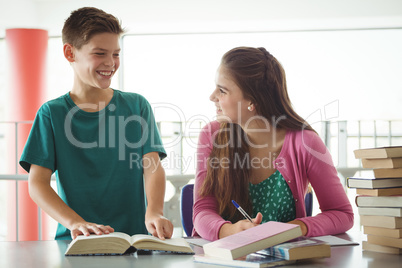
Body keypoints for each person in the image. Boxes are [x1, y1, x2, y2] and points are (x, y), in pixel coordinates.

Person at [19, 7, 173, 240]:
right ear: (70, 53)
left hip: (135, 241)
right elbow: (37, 184)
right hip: (77, 242)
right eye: (100, 53)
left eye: (116, 54)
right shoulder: (52, 114)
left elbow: (152, 166)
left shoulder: (137, 106)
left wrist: (154, 212)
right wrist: (75, 223)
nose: (110, 63)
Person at [193, 46, 354, 241]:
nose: (212, 97)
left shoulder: (306, 142)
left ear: (252, 100)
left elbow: (342, 213)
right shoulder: (211, 135)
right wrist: (228, 231)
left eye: (222, 90)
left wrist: (295, 228)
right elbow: (202, 210)